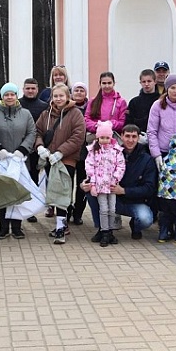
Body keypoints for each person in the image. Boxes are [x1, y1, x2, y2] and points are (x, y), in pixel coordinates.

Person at [83, 124, 157, 241]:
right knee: (91, 194)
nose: (130, 140)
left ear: (139, 138)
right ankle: (103, 229)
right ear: (121, 136)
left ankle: (135, 226)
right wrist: (86, 183)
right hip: (112, 196)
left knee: (145, 219)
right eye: (127, 136)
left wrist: (124, 191)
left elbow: (149, 188)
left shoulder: (146, 159)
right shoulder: (112, 152)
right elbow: (95, 168)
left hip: (135, 201)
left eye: (134, 136)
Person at [35, 83, 86, 244]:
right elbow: (37, 132)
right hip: (50, 158)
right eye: (55, 96)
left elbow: (78, 136)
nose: (58, 99)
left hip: (67, 159)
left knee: (63, 192)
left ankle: (60, 228)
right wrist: (40, 147)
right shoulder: (46, 114)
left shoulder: (75, 114)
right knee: (56, 191)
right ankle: (61, 224)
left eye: (61, 96)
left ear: (67, 96)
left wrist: (61, 152)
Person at [0, 82, 36, 239]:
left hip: (19, 160)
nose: (9, 97)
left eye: (12, 94)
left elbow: (31, 132)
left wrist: (22, 150)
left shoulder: (26, 114)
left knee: (17, 192)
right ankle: (3, 226)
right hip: (0, 160)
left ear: (16, 96)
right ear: (2, 96)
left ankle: (16, 226)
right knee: (2, 193)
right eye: (6, 94)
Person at [84, 71, 128, 225]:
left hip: (113, 141)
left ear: (114, 83)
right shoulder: (93, 101)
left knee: (114, 177)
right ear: (100, 84)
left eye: (109, 83)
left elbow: (122, 121)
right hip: (97, 141)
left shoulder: (121, 102)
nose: (107, 86)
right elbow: (87, 120)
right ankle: (101, 224)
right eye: (104, 83)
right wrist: (98, 126)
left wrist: (109, 124)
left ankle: (115, 218)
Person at [84, 120, 126, 247]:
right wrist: (93, 182)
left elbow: (121, 165)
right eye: (102, 137)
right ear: (97, 137)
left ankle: (111, 230)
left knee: (112, 209)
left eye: (107, 137)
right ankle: (104, 231)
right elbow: (89, 165)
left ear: (111, 137)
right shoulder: (93, 150)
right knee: (103, 209)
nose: (104, 140)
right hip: (100, 186)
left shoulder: (116, 150)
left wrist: (116, 179)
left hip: (112, 185)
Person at [19, 77, 49, 224]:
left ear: (37, 90)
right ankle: (19, 207)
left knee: (33, 179)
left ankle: (31, 209)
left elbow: (44, 128)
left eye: (33, 88)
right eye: (28, 88)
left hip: (36, 149)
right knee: (19, 179)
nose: (30, 91)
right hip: (19, 149)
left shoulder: (44, 106)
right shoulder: (17, 103)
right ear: (23, 89)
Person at [70, 82, 89, 225]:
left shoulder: (91, 108)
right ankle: (67, 210)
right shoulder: (67, 107)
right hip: (69, 152)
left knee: (82, 184)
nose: (79, 93)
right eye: (76, 90)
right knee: (67, 184)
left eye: (82, 90)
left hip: (86, 153)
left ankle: (78, 213)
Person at [126, 69, 160, 134]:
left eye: (149, 81)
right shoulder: (134, 102)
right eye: (144, 82)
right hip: (138, 137)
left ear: (155, 82)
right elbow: (129, 123)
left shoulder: (161, 100)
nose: (146, 84)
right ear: (140, 83)